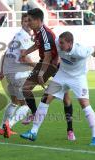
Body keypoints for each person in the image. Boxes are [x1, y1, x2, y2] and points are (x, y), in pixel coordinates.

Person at [20, 31, 95, 146]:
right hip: (62, 75)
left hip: (78, 78)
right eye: (59, 42)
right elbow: (48, 40)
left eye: (62, 43)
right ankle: (33, 132)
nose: (59, 45)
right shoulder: (58, 41)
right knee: (46, 97)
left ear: (70, 43)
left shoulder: (82, 51)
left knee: (84, 103)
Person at [20, 8, 76, 140]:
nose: (28, 23)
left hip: (54, 65)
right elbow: (37, 45)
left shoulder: (46, 34)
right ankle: (35, 113)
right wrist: (26, 52)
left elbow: (48, 56)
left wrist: (41, 73)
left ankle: (70, 130)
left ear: (38, 20)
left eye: (30, 20)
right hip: (46, 62)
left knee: (66, 98)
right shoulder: (37, 31)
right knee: (26, 88)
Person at [0, 13, 34, 138]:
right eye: (25, 21)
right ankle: (9, 124)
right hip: (19, 75)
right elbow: (24, 57)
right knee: (26, 105)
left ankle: (2, 127)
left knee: (14, 102)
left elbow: (4, 54)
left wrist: (2, 71)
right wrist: (39, 67)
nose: (28, 23)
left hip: (9, 74)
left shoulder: (16, 37)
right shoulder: (23, 37)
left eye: (30, 21)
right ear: (21, 23)